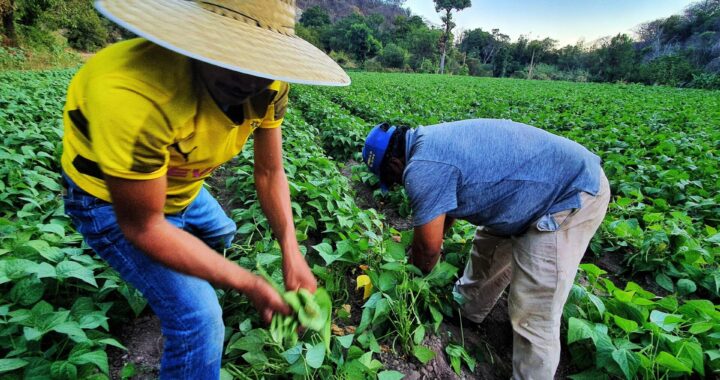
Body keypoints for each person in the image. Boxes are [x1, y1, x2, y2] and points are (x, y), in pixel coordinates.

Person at [60, 1, 349, 378]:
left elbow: (269, 171)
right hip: (108, 199)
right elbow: (145, 225)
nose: (246, 78)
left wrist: (290, 250)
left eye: (260, 62)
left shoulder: (270, 85)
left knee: (224, 232)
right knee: (200, 320)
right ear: (198, 34)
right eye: (232, 54)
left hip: (181, 183)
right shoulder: (133, 93)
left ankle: (187, 270)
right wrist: (249, 283)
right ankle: (180, 292)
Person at [362, 119, 610, 379]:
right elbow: (447, 209)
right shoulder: (428, 142)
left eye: (393, 180)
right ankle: (465, 315)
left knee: (534, 309)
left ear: (394, 164)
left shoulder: (422, 169)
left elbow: (428, 251)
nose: (399, 185)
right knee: (487, 249)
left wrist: (412, 281)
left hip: (568, 194)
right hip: (526, 193)